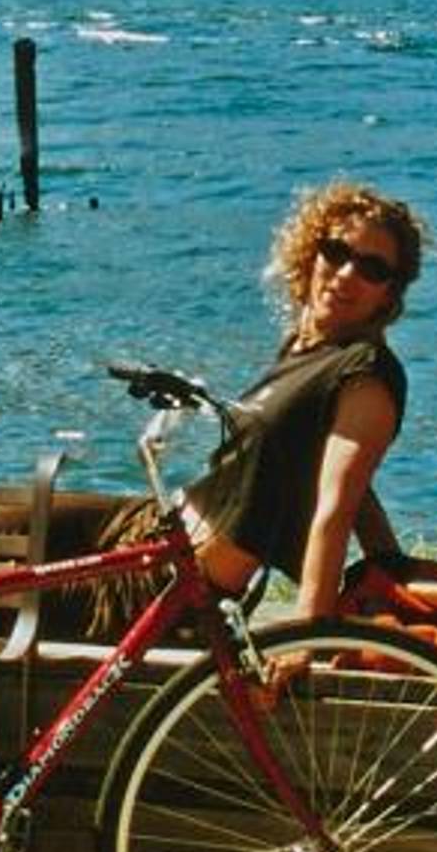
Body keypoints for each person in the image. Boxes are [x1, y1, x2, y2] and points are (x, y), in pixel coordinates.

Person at [172, 180, 423, 625]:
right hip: (151, 541)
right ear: (312, 253)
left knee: (11, 551)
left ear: (389, 293)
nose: (347, 273)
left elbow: (337, 506)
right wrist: (390, 569)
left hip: (172, 590)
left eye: (372, 268)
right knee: (10, 520)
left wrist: (309, 634)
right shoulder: (307, 351)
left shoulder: (365, 373)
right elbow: (343, 478)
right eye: (337, 252)